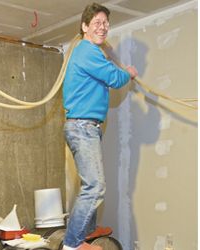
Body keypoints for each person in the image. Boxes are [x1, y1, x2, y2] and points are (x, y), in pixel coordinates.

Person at [62, 3, 138, 250]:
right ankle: (72, 244)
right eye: (96, 22)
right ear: (84, 27)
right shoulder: (86, 51)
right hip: (82, 126)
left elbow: (105, 73)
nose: (103, 27)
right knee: (95, 187)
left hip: (88, 127)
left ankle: (87, 232)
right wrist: (129, 73)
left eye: (106, 23)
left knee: (91, 184)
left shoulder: (92, 52)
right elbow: (115, 79)